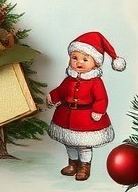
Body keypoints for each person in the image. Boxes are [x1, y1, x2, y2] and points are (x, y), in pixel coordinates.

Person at [46, 31, 126, 183]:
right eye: (74, 58)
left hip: (85, 118)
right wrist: (52, 97)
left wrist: (98, 111)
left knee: (83, 145)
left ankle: (84, 166)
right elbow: (61, 91)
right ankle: (73, 164)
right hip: (66, 116)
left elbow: (102, 98)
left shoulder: (95, 82)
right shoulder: (69, 79)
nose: (79, 62)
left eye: (85, 59)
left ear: (96, 62)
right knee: (69, 142)